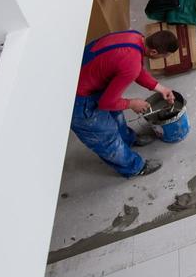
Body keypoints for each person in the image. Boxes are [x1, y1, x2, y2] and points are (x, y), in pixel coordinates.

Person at [73, 29, 179, 178]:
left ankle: (129, 140)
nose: (165, 58)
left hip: (85, 76)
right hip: (77, 99)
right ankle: (134, 168)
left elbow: (135, 69)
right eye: (165, 56)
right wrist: (131, 103)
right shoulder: (131, 62)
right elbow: (106, 103)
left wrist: (160, 88)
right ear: (154, 52)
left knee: (117, 117)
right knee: (106, 137)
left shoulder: (136, 37)